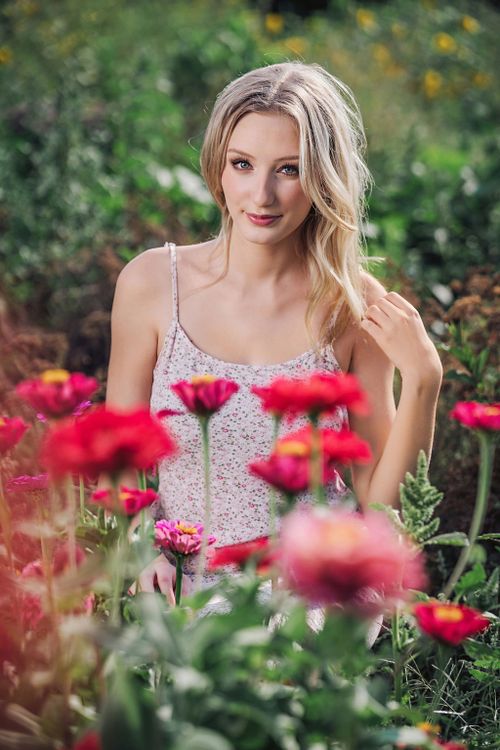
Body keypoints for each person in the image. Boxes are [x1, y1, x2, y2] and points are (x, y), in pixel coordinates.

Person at [105, 62, 443, 606]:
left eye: (289, 169)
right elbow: (117, 459)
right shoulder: (152, 283)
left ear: (324, 177)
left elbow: (382, 510)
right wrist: (142, 550)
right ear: (218, 167)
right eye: (242, 164)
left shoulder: (353, 306)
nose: (261, 194)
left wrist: (424, 381)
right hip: (180, 582)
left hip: (310, 593)